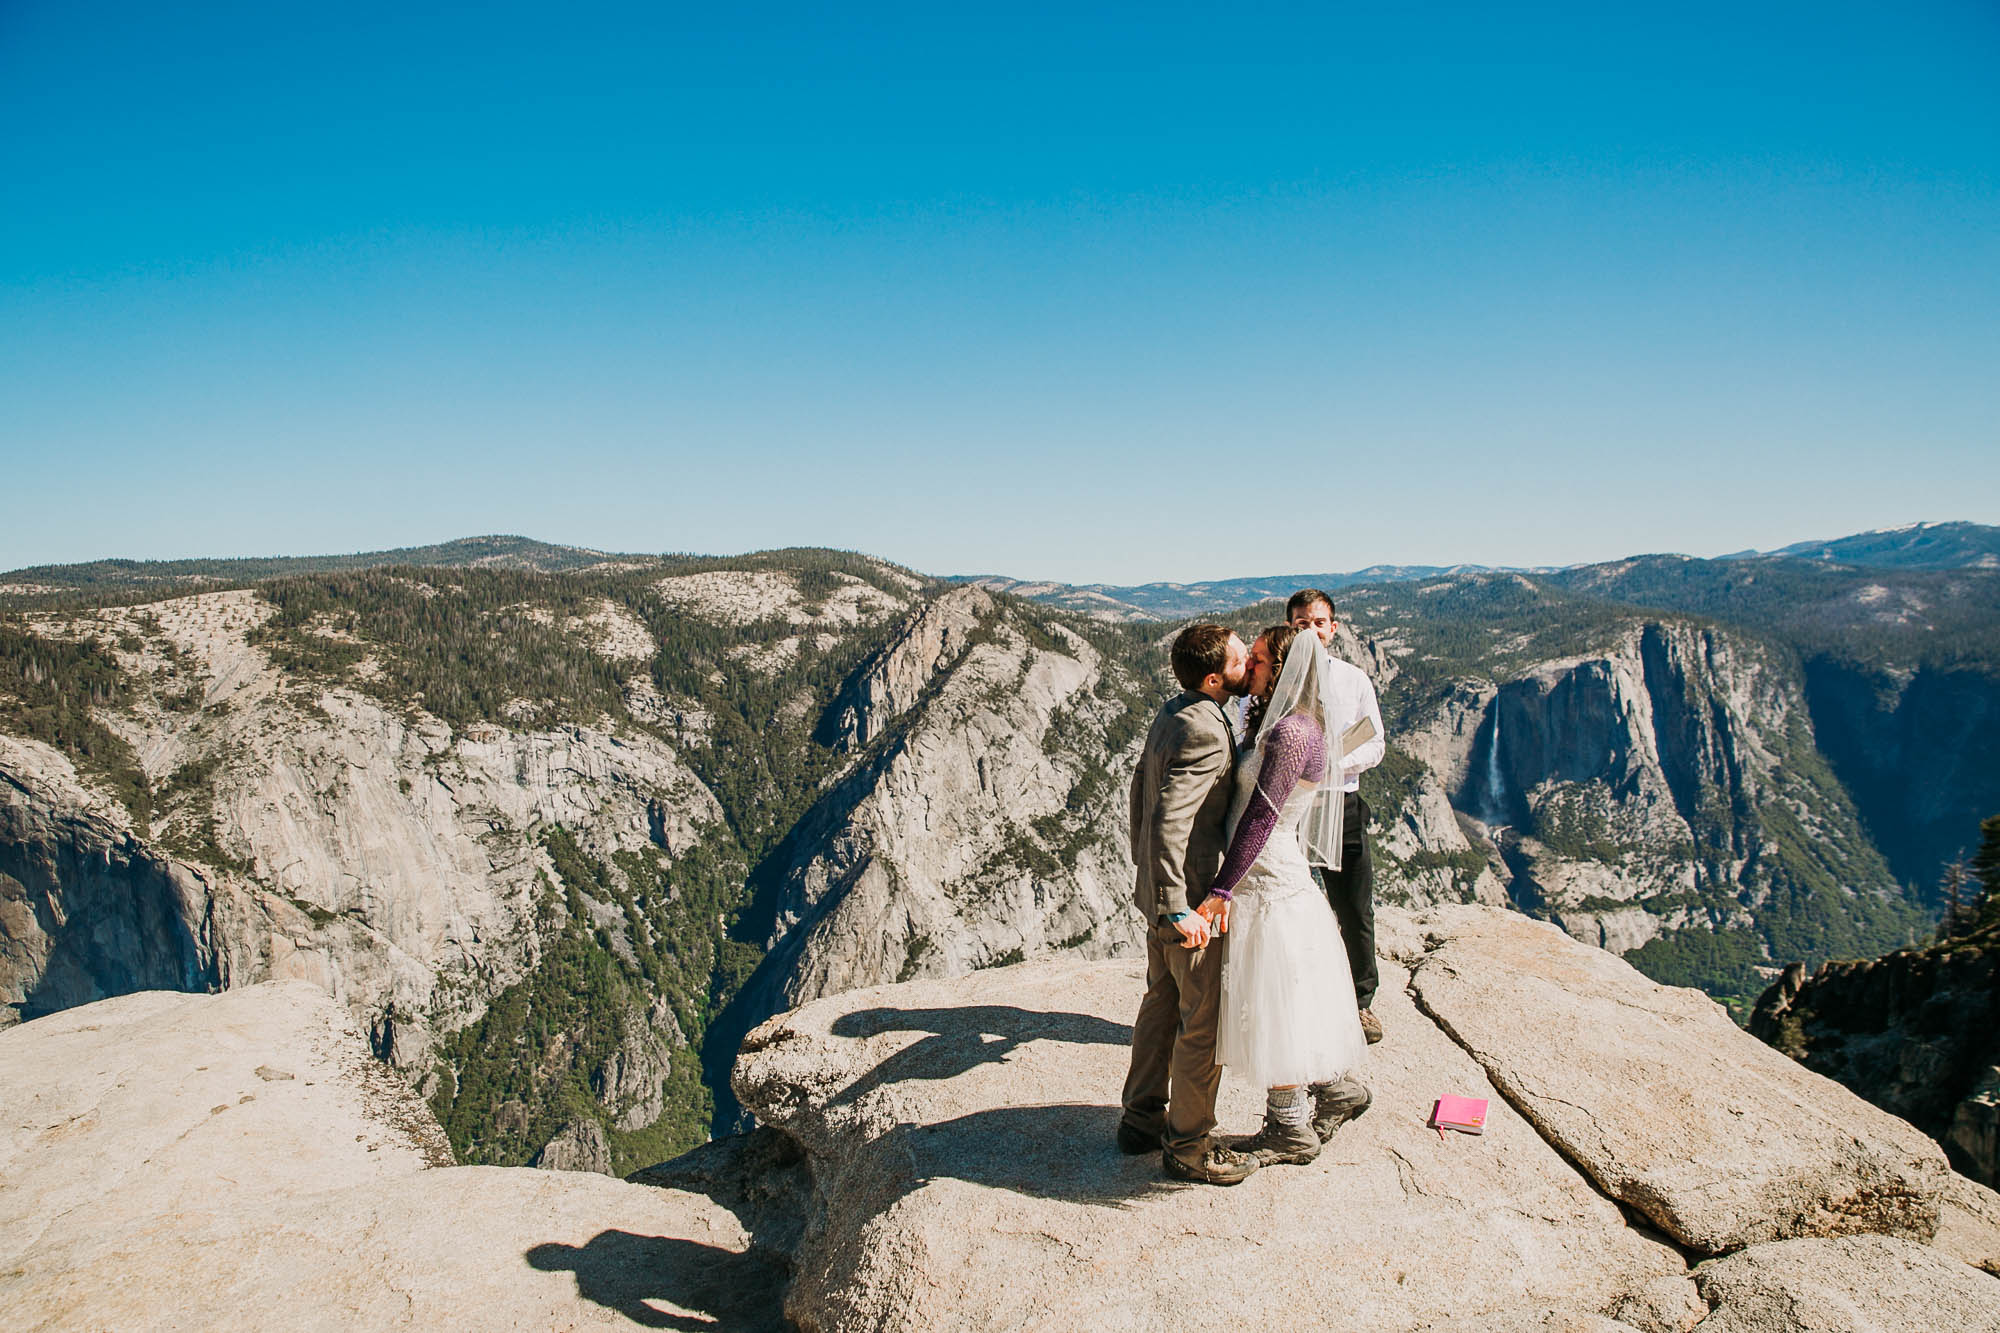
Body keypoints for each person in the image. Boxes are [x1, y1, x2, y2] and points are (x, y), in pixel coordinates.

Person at [1198, 624, 1371, 1166]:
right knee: (1289, 994)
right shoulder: (1279, 723)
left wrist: (1223, 887)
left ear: (1284, 671)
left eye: (1257, 661)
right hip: (1266, 871)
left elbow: (1263, 816)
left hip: (1268, 874)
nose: (1248, 668)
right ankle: (1337, 1089)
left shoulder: (1295, 733)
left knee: (1273, 998)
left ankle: (1289, 1129)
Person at [1118, 623, 1261, 1186]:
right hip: (1191, 901)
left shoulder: (1174, 711)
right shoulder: (1205, 730)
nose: (1248, 659)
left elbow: (1139, 793)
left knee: (1160, 1005)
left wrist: (1150, 887)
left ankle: (1140, 1121)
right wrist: (1179, 906)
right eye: (1237, 657)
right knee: (1201, 1025)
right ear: (1213, 677)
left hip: (1159, 896)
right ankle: (1190, 1146)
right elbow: (1170, 819)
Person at [1286, 589, 1388, 1044]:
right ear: (1290, 628)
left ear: (1333, 628)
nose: (1310, 630)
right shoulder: (1274, 682)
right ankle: (1295, 998)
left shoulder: (1354, 680)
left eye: (1317, 623)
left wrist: (1333, 763)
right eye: (1300, 623)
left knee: (1353, 906)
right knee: (1291, 907)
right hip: (1289, 808)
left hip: (1342, 804)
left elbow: (1376, 744)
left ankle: (1360, 1003)